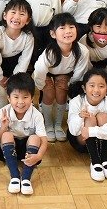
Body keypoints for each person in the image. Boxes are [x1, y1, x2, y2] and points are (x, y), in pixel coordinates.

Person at [33, 13, 90, 143]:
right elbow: (39, 72)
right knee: (49, 92)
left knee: (61, 90)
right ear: (53, 34)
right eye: (62, 28)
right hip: (46, 74)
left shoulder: (82, 51)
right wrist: (43, 87)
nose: (68, 31)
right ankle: (48, 124)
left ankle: (58, 125)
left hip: (65, 74)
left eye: (71, 27)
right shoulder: (50, 53)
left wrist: (70, 86)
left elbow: (79, 74)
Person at [0, 73, 47, 195]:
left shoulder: (37, 115)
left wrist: (39, 156)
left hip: (29, 152)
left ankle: (26, 178)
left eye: (25, 97)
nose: (21, 102)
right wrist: (4, 126)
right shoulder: (3, 112)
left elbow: (44, 140)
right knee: (6, 135)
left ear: (32, 98)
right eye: (16, 97)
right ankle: (15, 176)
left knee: (35, 137)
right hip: (6, 150)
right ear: (9, 98)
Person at [67, 68, 107, 182]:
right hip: (81, 141)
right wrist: (80, 117)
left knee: (103, 116)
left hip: (102, 143)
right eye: (92, 85)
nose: (96, 90)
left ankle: (104, 160)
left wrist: (91, 131)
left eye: (101, 86)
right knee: (90, 118)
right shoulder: (76, 101)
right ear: (84, 88)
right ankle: (95, 161)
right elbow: (73, 131)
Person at [0, 0, 35, 111]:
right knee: (2, 93)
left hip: (17, 67)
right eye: (13, 12)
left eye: (22, 14)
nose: (16, 17)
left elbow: (24, 60)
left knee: (17, 92)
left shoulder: (28, 37)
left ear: (28, 20)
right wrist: (0, 77)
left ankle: (19, 115)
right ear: (5, 15)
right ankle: (2, 117)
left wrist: (15, 78)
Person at [78, 8, 107, 96]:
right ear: (91, 28)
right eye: (98, 26)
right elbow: (83, 69)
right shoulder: (83, 42)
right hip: (87, 77)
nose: (103, 31)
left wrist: (105, 85)